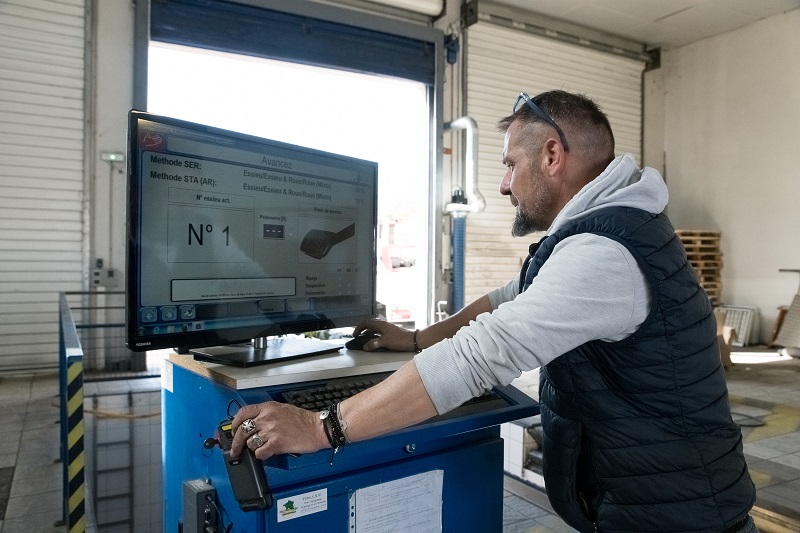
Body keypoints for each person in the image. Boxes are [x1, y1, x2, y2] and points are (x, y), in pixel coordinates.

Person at [230, 89, 757, 532]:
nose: (503, 184)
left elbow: (484, 353)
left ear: (552, 155)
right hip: (657, 500)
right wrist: (414, 339)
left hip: (679, 515)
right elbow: (512, 295)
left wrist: (323, 427)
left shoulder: (606, 251)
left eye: (510, 164)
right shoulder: (610, 230)